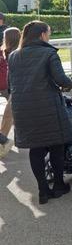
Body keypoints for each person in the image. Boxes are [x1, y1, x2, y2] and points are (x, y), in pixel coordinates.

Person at [9, 21, 72, 204]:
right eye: (49, 33)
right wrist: (70, 82)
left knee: (35, 148)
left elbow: (12, 82)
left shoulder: (14, 55)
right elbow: (61, 79)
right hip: (47, 107)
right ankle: (59, 186)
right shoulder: (48, 53)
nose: (49, 36)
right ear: (42, 35)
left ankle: (43, 190)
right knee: (56, 146)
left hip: (23, 108)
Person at [0, 27, 20, 159]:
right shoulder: (15, 52)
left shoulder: (6, 52)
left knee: (9, 114)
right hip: (10, 86)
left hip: (8, 86)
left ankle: (4, 140)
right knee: (12, 114)